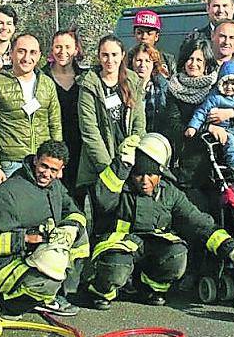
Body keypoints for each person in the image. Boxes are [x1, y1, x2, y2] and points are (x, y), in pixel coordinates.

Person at [87, 134, 234, 309]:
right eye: (138, 174)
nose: (144, 181)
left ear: (161, 173)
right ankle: (101, 291)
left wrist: (232, 249)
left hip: (151, 247)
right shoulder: (119, 186)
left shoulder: (171, 193)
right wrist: (121, 164)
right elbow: (102, 201)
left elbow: (199, 223)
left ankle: (150, 288)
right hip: (121, 247)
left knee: (177, 253)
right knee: (116, 268)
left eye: (151, 174)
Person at [0, 140, 89, 320]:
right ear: (35, 160)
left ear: (61, 170)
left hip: (33, 256)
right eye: (44, 166)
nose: (46, 174)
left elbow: (73, 210)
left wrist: (70, 228)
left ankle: (51, 295)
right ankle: (3, 304)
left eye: (53, 170)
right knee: (50, 274)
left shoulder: (55, 186)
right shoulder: (8, 193)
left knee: (79, 235)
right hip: (1, 266)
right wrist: (25, 238)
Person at [0, 33, 62, 184]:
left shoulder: (47, 84)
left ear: (39, 56)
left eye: (33, 52)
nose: (26, 58)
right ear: (11, 53)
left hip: (42, 165)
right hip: (9, 165)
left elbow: (55, 125)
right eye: (21, 51)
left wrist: (57, 162)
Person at [76, 35, 147, 193]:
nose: (110, 60)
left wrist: (131, 154)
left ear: (122, 55)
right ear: (99, 56)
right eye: (105, 55)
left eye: (114, 55)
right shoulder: (89, 84)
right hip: (98, 164)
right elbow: (89, 130)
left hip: (128, 161)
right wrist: (109, 169)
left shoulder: (132, 81)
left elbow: (139, 123)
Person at [162, 37, 221, 213]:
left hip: (214, 167)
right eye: (190, 58)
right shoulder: (174, 89)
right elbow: (173, 127)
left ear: (206, 64)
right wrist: (206, 128)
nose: (193, 63)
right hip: (186, 167)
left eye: (199, 60)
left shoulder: (217, 87)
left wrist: (232, 113)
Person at [185, 60, 234, 179]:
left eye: (233, 84)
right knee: (230, 143)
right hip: (223, 129)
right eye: (226, 83)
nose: (229, 87)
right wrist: (193, 127)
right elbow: (201, 111)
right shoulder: (215, 97)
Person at [43, 29, 86, 205]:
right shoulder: (42, 77)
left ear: (76, 49)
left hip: (80, 147)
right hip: (51, 145)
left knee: (76, 199)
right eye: (58, 47)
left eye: (68, 47)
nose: (63, 51)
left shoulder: (85, 77)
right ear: (52, 49)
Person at [129, 42, 170, 133]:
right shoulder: (125, 86)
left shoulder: (163, 88)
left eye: (147, 61)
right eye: (139, 60)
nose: (142, 65)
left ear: (154, 64)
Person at [131, 9, 177, 75]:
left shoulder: (168, 60)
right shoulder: (125, 59)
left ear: (156, 36)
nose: (144, 37)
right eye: (139, 33)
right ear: (134, 34)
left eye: (149, 34)